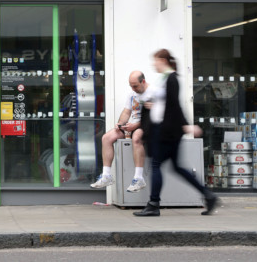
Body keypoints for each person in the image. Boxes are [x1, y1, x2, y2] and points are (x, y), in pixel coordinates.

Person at [134, 49, 219, 217]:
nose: (154, 64)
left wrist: (186, 126)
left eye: (156, 61)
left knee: (156, 165)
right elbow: (166, 103)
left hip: (166, 131)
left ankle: (153, 204)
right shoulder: (165, 78)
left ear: (163, 60)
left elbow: (174, 105)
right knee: (177, 167)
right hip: (167, 130)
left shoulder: (171, 79)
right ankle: (208, 196)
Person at [91, 71, 151, 192]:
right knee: (106, 137)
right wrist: (120, 124)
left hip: (146, 126)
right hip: (132, 126)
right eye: (131, 86)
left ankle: (139, 178)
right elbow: (126, 112)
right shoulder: (132, 94)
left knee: (137, 137)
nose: (133, 88)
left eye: (135, 86)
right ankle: (106, 175)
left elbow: (153, 116)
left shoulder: (152, 93)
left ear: (143, 81)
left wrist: (135, 126)